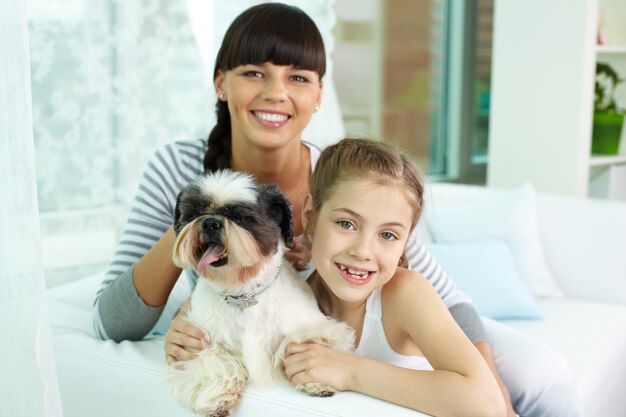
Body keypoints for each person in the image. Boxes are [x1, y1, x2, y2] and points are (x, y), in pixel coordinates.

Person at [93, 3, 582, 417]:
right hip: (296, 324)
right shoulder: (179, 167)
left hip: (387, 317)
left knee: (539, 373)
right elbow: (113, 321)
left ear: (318, 95)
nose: (275, 93)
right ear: (221, 83)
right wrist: (199, 222)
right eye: (253, 73)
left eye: (297, 77)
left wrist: (493, 391)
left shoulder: (338, 174)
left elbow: (438, 290)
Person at [284, 137, 505, 416]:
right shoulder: (293, 299)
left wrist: (349, 370)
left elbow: (487, 405)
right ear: (310, 216)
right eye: (346, 223)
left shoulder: (403, 294)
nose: (363, 251)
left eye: (388, 235)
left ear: (406, 242)